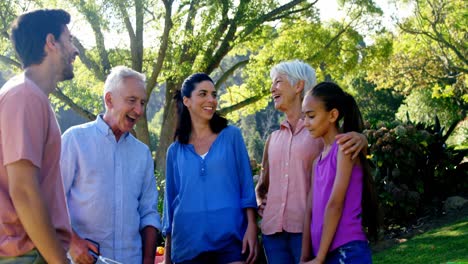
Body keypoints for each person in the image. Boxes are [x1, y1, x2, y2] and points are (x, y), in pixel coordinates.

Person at [255, 60, 367, 264]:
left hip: (308, 234)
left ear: (298, 86)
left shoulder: (319, 134)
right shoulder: (272, 139)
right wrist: (262, 205)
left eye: (278, 82)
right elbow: (263, 184)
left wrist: (363, 138)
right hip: (273, 234)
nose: (272, 88)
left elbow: (342, 155)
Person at [0, 9, 78, 263]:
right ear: (51, 42)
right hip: (28, 255)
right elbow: (23, 190)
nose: (75, 50)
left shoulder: (29, 96)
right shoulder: (24, 96)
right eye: (70, 39)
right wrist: (59, 260)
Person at [60, 66, 161, 264]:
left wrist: (148, 260)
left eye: (142, 102)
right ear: (109, 100)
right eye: (132, 101)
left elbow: (148, 213)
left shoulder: (142, 154)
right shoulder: (74, 140)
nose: (139, 110)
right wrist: (73, 242)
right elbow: (51, 200)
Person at [163, 73, 258, 264]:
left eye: (214, 95)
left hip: (231, 240)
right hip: (187, 244)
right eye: (203, 94)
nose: (211, 100)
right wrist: (167, 255)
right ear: (187, 101)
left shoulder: (232, 136)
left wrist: (252, 227)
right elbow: (170, 202)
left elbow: (246, 185)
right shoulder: (175, 150)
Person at [300, 82, 379, 264]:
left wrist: (319, 257)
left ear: (333, 115)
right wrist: (305, 256)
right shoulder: (316, 162)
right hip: (323, 253)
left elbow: (335, 203)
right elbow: (310, 210)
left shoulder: (345, 149)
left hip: (347, 251)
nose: (306, 123)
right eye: (304, 116)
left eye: (311, 116)